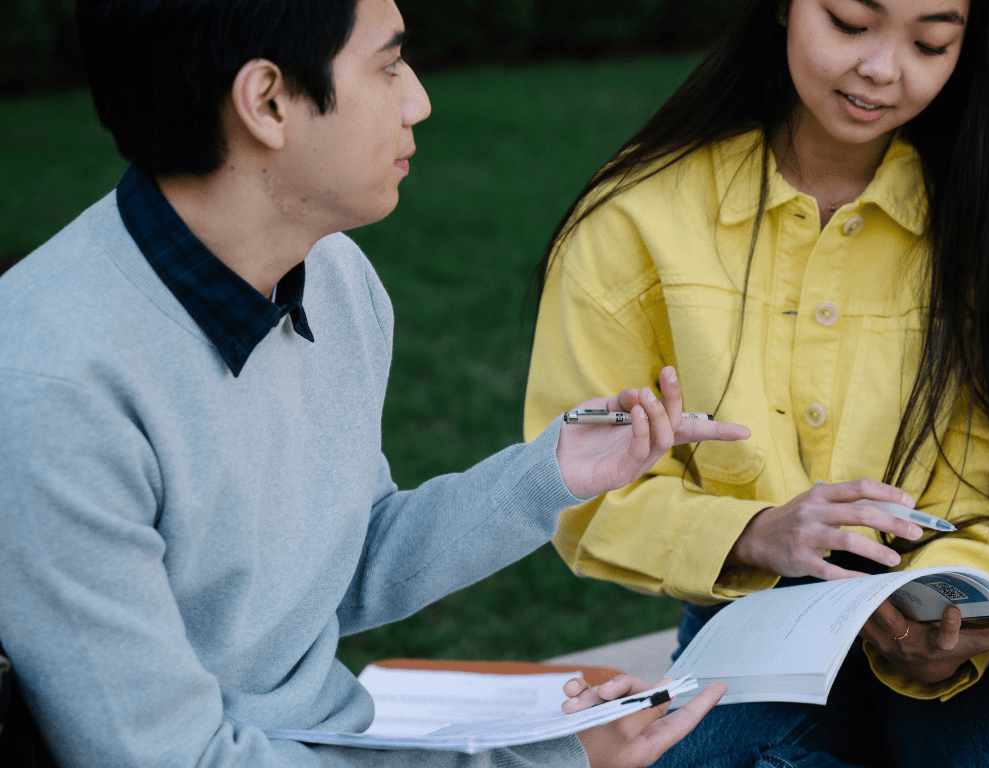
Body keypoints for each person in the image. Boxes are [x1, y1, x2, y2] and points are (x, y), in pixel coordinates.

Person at [0, 1, 745, 766]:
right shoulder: (51, 388)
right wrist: (548, 759)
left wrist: (548, 474)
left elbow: (334, 566)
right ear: (267, 102)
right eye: (388, 65)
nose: (418, 98)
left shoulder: (332, 275)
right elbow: (173, 758)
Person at [524, 0, 989, 765]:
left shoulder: (983, 232)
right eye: (849, 21)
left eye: (931, 42)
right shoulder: (637, 218)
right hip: (753, 623)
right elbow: (579, 489)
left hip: (945, 626)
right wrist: (756, 532)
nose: (882, 68)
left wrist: (945, 622)